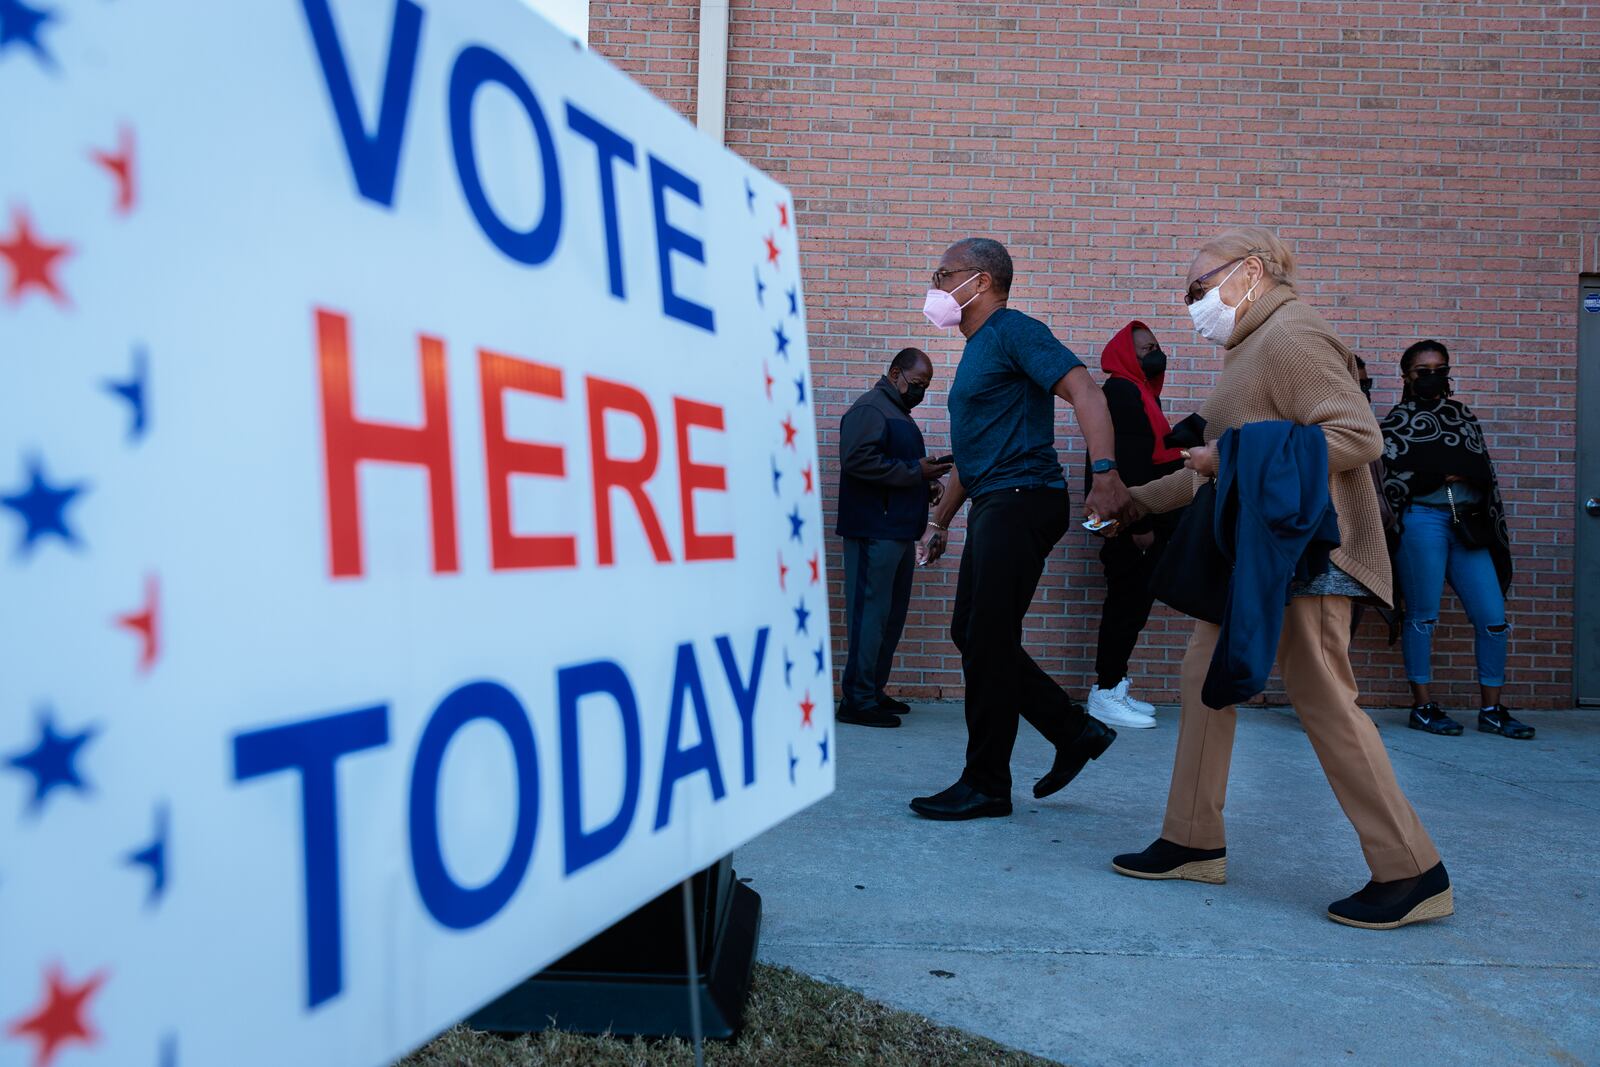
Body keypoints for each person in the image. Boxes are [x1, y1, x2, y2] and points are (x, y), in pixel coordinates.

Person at [1109, 226, 1451, 931]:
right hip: (1259, 553)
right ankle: (1191, 837)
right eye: (1188, 293)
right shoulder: (1248, 346)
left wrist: (1226, 453)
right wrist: (1136, 499)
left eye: (1201, 287)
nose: (1194, 302)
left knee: (1323, 696)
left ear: (1252, 272)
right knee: (1206, 680)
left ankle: (1412, 870)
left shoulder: (1293, 334)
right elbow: (1220, 468)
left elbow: (1359, 436)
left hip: (1310, 553)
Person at [908, 237, 1134, 821]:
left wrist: (1106, 473)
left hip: (1022, 497)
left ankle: (997, 776)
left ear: (979, 282)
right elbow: (972, 454)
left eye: (944, 274)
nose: (935, 287)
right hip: (995, 499)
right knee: (976, 635)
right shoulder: (979, 349)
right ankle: (1059, 740)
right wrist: (939, 521)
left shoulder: (1012, 330)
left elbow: (1083, 388)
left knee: (985, 640)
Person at [1380, 340, 1531, 740]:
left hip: (1467, 523)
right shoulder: (1396, 422)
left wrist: (1456, 470)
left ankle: (1492, 709)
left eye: (1440, 368)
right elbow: (1393, 479)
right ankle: (1423, 706)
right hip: (1423, 521)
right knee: (1423, 615)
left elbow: (1479, 467)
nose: (1433, 377)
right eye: (1423, 370)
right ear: (1407, 377)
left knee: (1493, 618)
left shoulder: (1462, 415)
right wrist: (1443, 472)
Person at [834, 348, 952, 728]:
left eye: (926, 387)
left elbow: (897, 470)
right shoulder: (871, 409)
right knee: (870, 615)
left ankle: (872, 691)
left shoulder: (898, 414)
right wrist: (914, 472)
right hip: (873, 530)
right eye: (917, 384)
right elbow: (857, 460)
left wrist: (926, 484)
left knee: (889, 617)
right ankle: (856, 700)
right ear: (896, 373)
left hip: (897, 530)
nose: (920, 392)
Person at [1085, 322, 1187, 729]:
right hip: (1131, 523)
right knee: (1125, 607)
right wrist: (1137, 524)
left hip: (1141, 519)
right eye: (1145, 348)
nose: (1153, 353)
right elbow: (1127, 462)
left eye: (1156, 347)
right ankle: (1106, 691)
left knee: (1133, 605)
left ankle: (1115, 684)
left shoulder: (1140, 393)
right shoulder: (1123, 392)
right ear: (1126, 354)